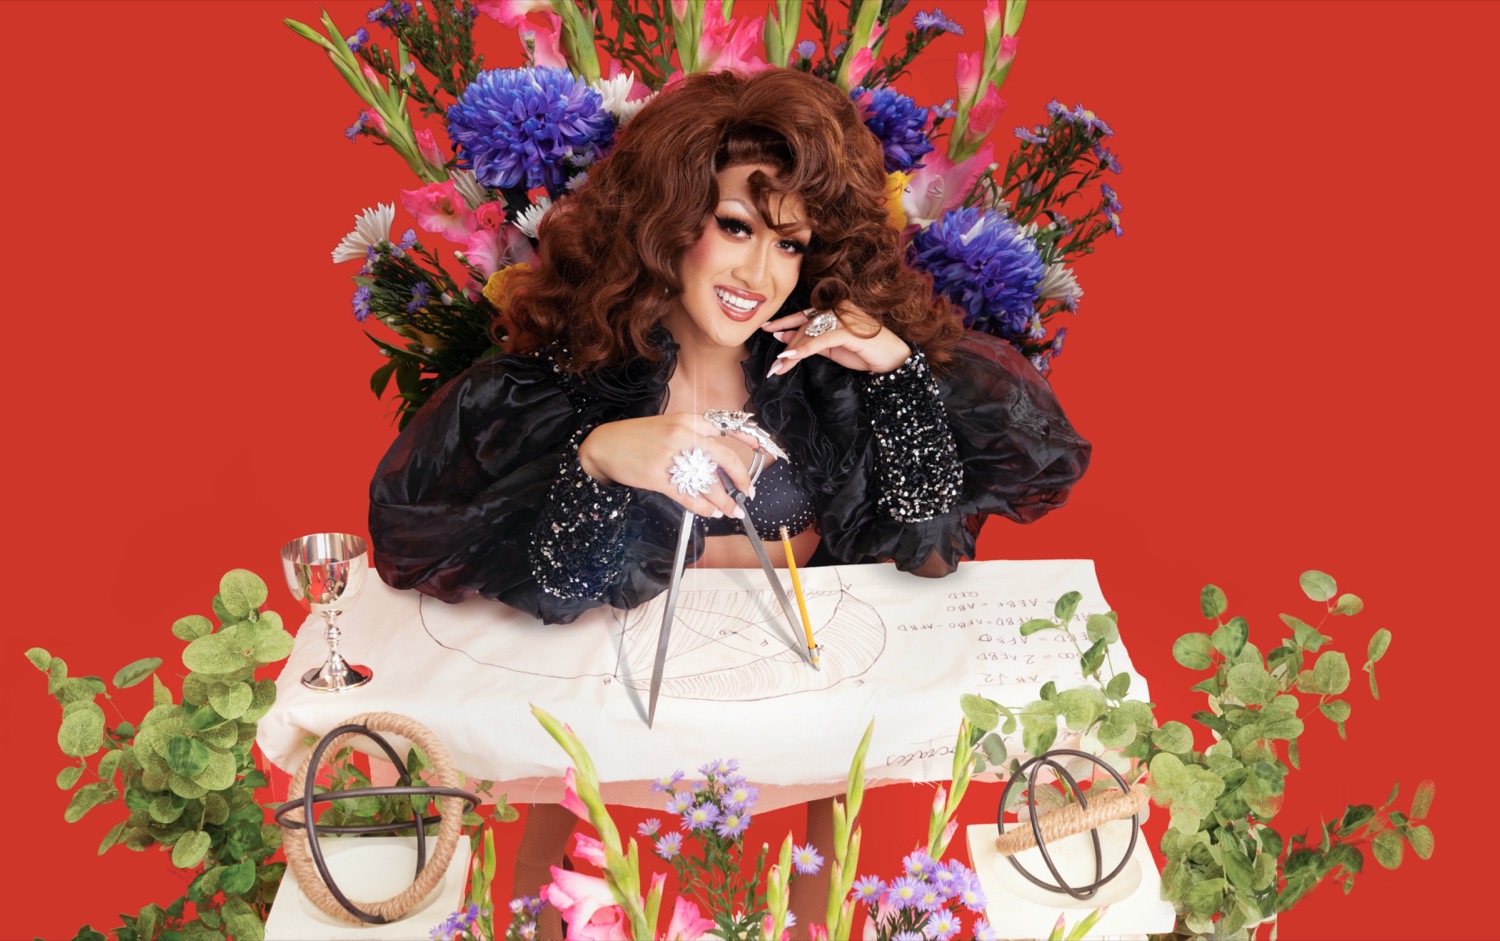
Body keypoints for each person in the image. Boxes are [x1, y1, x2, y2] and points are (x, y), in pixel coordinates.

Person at [369, 67, 1090, 939]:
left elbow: (931, 549)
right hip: (604, 744)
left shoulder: (822, 393)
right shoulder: (554, 396)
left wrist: (896, 376)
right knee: (542, 882)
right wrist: (598, 458)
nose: (761, 273)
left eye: (790, 244)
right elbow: (553, 594)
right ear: (667, 222)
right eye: (736, 227)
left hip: (806, 747)